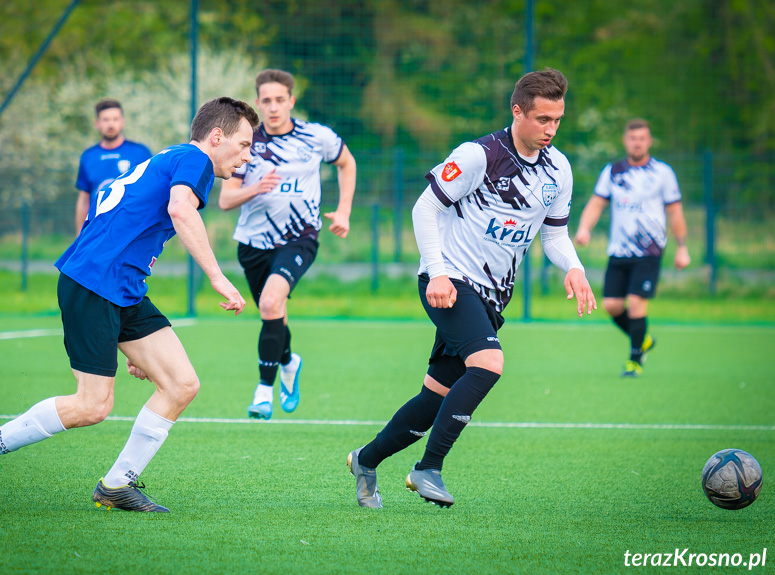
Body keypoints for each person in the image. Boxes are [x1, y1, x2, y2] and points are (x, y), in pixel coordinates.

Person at [0, 97, 259, 513]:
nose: (247, 155)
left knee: (180, 384)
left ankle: (117, 485)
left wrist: (131, 341)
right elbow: (180, 210)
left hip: (122, 287)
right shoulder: (195, 159)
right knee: (93, 405)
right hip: (94, 283)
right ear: (216, 136)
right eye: (243, 144)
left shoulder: (170, 157)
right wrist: (217, 276)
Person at [347, 68, 597, 509]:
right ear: (517, 111)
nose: (550, 129)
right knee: (488, 363)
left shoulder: (559, 169)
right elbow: (424, 209)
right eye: (542, 119)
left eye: (557, 120)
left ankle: (365, 460)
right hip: (449, 279)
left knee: (434, 397)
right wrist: (438, 272)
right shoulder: (480, 155)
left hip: (492, 295)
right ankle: (428, 469)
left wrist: (573, 267)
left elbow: (554, 235)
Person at [219, 69, 356, 420]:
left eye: (280, 100)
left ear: (291, 101)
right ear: (258, 103)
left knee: (269, 301)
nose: (274, 107)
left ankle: (264, 391)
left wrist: (343, 211)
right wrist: (256, 187)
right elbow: (225, 200)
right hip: (252, 243)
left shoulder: (316, 136)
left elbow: (347, 163)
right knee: (272, 312)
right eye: (266, 100)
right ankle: (288, 362)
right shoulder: (245, 142)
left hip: (300, 238)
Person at [575, 118, 690, 377]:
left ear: (648, 141)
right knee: (611, 306)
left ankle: (634, 360)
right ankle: (643, 340)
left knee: (637, 304)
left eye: (642, 138)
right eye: (632, 138)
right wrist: (584, 228)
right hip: (619, 251)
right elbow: (596, 203)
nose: (637, 143)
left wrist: (682, 247)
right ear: (625, 141)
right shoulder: (613, 171)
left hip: (648, 252)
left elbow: (675, 211)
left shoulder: (663, 173)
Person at [74, 99, 152, 236]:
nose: (111, 124)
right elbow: (83, 199)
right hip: (97, 232)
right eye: (106, 120)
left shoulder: (140, 153)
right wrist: (80, 236)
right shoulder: (88, 156)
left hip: (131, 231)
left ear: (122, 121)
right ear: (97, 123)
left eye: (115, 119)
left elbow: (151, 193)